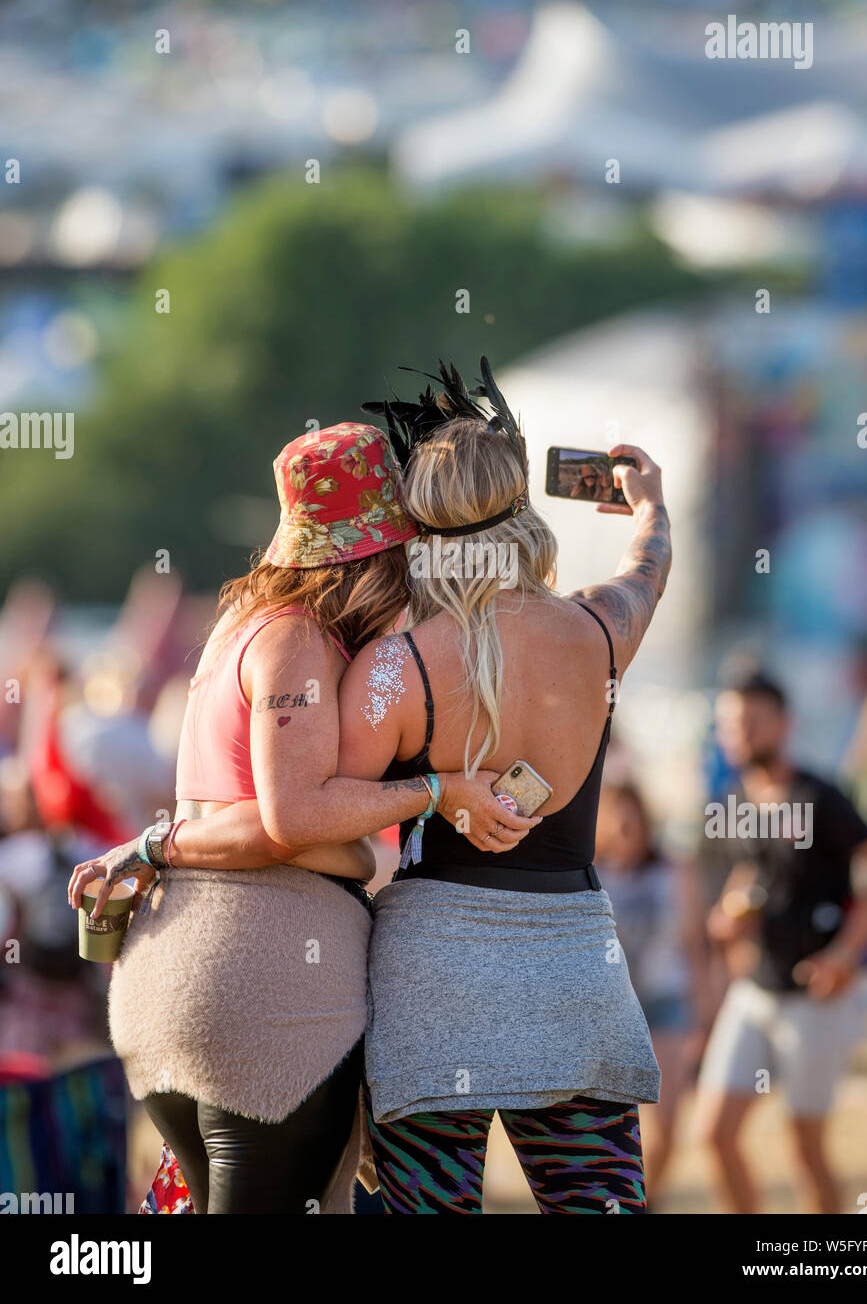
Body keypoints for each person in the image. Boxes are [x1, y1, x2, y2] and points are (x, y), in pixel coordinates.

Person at [68, 421, 535, 1215]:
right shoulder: (298, 639)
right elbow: (290, 818)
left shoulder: (238, 628)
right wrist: (437, 790)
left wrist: (156, 843)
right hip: (263, 988)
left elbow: (242, 812)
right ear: (368, 557)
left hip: (177, 982)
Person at [333, 358, 670, 1213]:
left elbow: (324, 814)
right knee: (598, 1205)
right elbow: (648, 568)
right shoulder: (598, 628)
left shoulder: (394, 669)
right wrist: (649, 505)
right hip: (571, 961)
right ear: (523, 509)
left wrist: (435, 788)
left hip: (432, 974)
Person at [696, 670, 867, 1214]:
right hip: (755, 990)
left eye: (749, 721)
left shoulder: (820, 796)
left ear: (784, 724)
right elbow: (746, 882)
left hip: (815, 998)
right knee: (714, 1135)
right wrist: (727, 919)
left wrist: (843, 953)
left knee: (804, 1150)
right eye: (728, 723)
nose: (737, 734)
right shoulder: (731, 799)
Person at [595, 779, 710, 1202]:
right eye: (618, 822)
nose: (627, 830)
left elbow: (697, 946)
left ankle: (649, 1200)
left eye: (634, 821)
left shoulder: (675, 871)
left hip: (667, 1005)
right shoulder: (591, 874)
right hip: (610, 1010)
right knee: (616, 1125)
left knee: (668, 1123)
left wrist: (703, 1017)